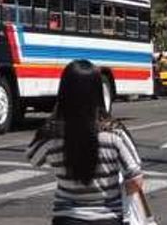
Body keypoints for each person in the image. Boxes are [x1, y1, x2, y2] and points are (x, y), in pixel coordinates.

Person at [28, 59, 145, 224]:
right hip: (108, 218)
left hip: (67, 218)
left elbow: (33, 159)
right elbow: (135, 178)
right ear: (98, 92)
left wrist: (54, 118)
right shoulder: (114, 133)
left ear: (64, 92)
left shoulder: (52, 135)